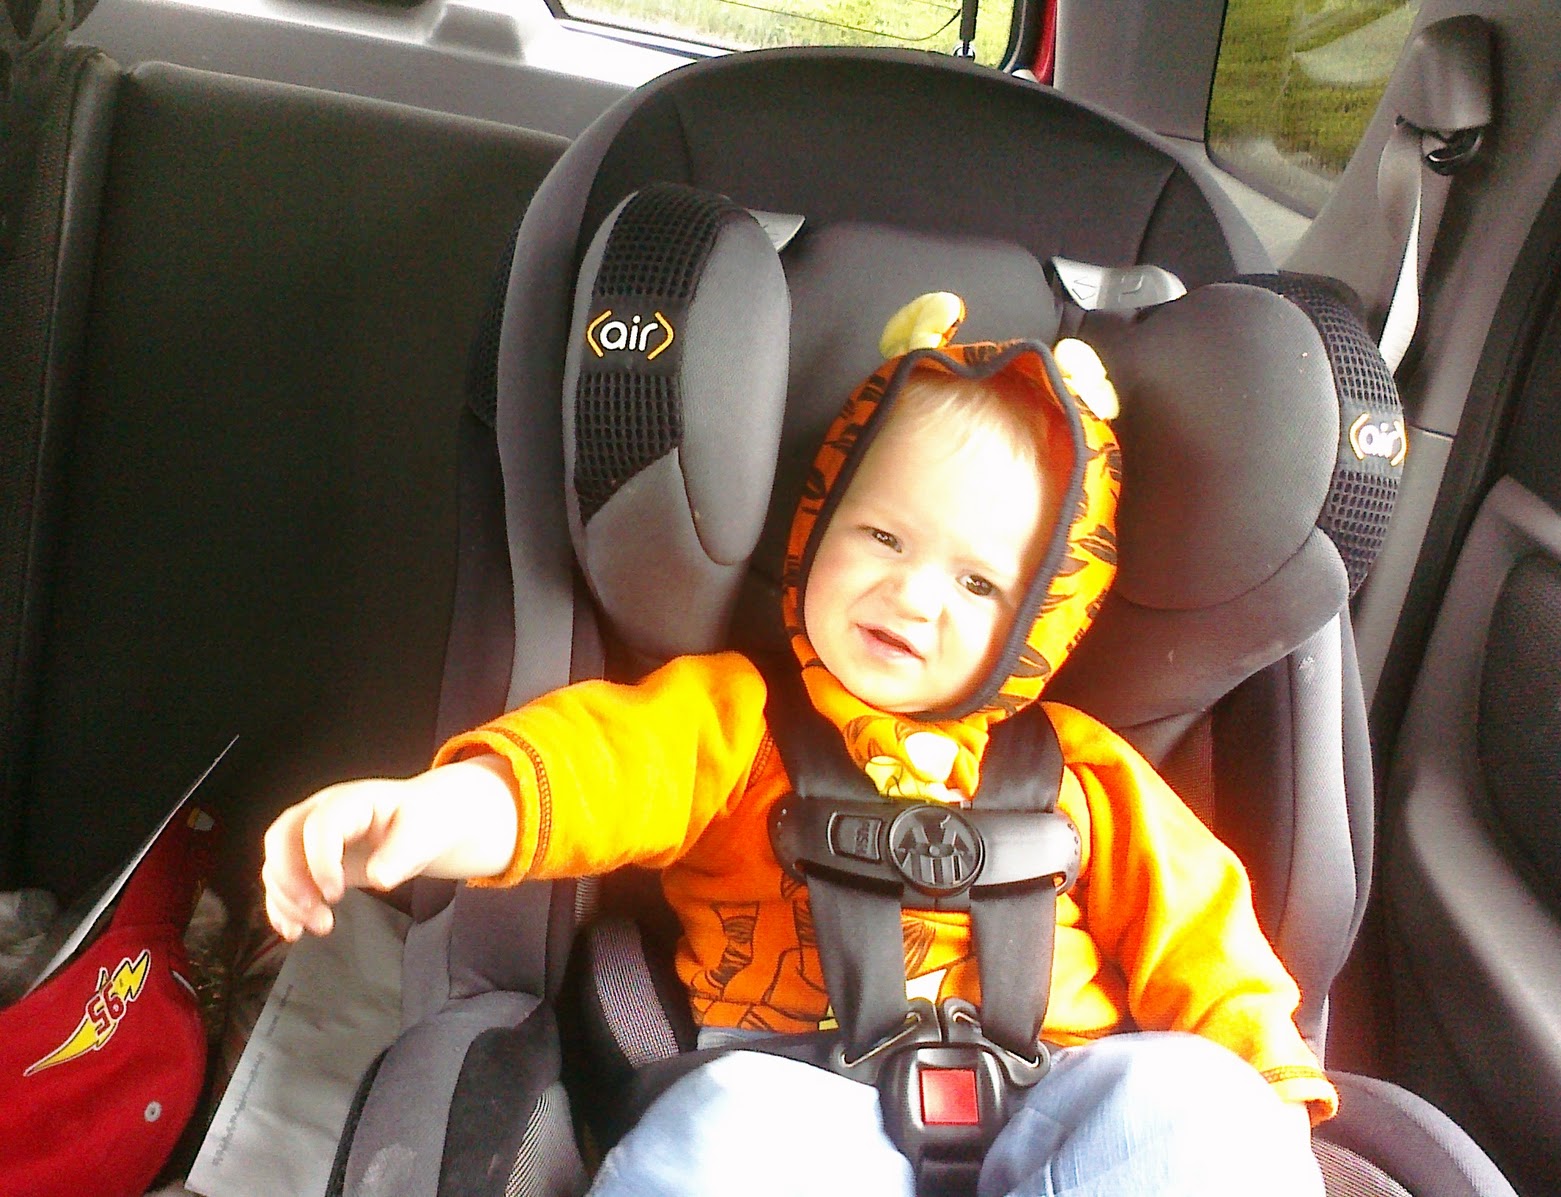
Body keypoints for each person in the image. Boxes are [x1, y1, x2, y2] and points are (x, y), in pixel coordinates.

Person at [262, 295, 1334, 1196]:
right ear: (817, 526)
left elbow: (1205, 938)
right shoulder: (736, 717)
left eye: (976, 583)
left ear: (1045, 615)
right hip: (803, 1105)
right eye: (883, 536)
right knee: (727, 1132)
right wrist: (436, 811)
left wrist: (1264, 1099)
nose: (912, 595)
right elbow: (592, 769)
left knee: (1196, 1100)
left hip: (1059, 1109)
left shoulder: (1084, 771)